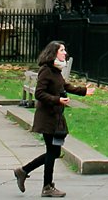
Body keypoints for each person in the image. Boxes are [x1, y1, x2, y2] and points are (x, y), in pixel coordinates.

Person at [14, 41, 88, 197]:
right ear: (53, 53)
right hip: (47, 118)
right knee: (52, 151)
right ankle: (45, 186)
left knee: (53, 152)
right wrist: (57, 100)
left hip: (55, 117)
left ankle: (24, 171)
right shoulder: (46, 71)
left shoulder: (55, 70)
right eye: (62, 50)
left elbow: (65, 86)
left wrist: (84, 91)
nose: (65, 52)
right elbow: (39, 94)